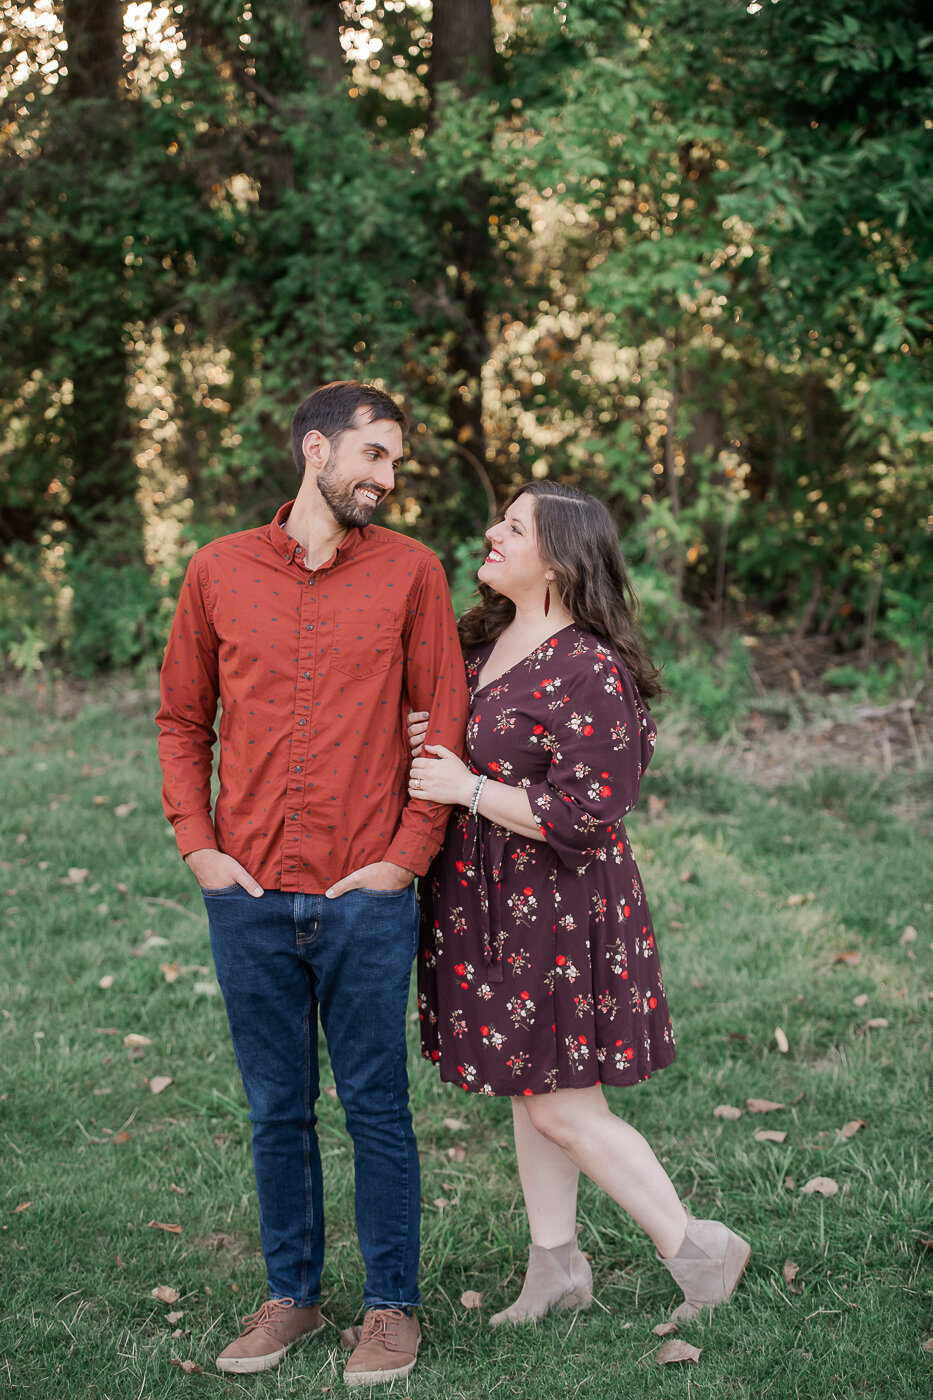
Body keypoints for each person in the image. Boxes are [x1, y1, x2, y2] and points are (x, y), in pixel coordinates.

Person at [155, 381, 468, 1384]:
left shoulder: (414, 573)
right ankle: (290, 1294)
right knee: (275, 1107)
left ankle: (390, 1308)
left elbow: (444, 722)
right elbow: (180, 718)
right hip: (246, 894)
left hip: (364, 896)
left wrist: (404, 859)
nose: (386, 476)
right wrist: (199, 844)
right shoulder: (217, 570)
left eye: (396, 463)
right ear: (315, 448)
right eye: (373, 455)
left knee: (376, 1105)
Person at [407, 480, 750, 1328]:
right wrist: (439, 749)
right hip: (487, 902)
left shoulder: (589, 664)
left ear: (559, 559)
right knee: (533, 1088)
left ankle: (699, 1250)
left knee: (561, 1101)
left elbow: (589, 813)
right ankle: (555, 1267)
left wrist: (465, 784)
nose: (491, 532)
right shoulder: (485, 642)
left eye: (513, 527)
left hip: (558, 909)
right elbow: (479, 745)